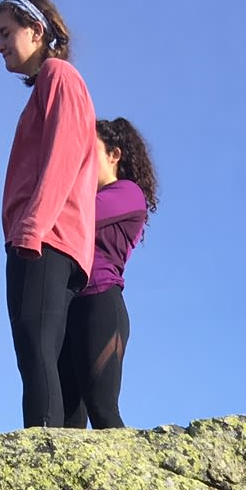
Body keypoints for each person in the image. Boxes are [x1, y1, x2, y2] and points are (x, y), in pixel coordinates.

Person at [0, 0, 97, 428]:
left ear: (36, 30)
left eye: (6, 33)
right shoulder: (52, 83)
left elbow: (63, 154)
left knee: (36, 352)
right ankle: (69, 456)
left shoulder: (58, 75)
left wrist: (31, 227)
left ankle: (44, 454)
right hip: (53, 240)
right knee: (52, 362)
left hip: (44, 240)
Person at [59, 118, 158, 429]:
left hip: (100, 304)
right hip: (70, 308)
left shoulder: (128, 193)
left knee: (102, 409)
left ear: (114, 155)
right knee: (67, 422)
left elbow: (77, 215)